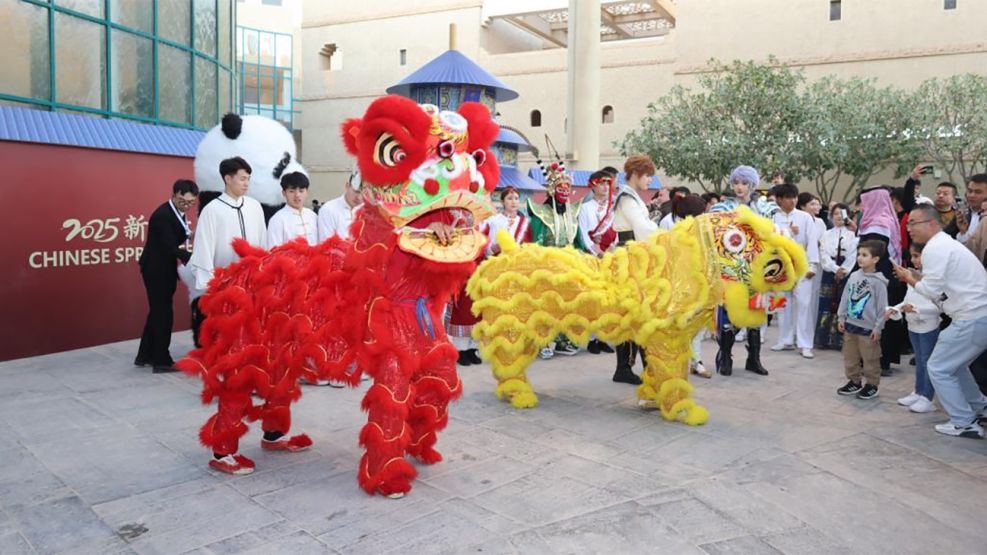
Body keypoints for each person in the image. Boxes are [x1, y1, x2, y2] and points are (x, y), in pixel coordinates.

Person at [894, 204, 987, 439]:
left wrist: (909, 278)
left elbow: (931, 290)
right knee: (954, 366)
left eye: (914, 223)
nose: (909, 228)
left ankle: (965, 423)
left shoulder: (935, 249)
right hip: (976, 316)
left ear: (932, 224)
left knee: (938, 367)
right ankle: (979, 407)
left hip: (971, 317)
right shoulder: (944, 245)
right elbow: (940, 283)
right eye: (908, 223)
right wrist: (916, 277)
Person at [188, 157, 268, 348]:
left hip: (252, 278)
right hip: (223, 280)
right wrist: (209, 282)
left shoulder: (254, 206)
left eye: (248, 178)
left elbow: (262, 241)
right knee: (225, 325)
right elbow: (204, 246)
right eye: (242, 178)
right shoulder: (212, 210)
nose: (246, 183)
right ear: (227, 179)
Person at [710, 165, 779, 376]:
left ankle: (754, 359)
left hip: (756, 266)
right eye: (736, 183)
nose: (739, 187)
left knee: (756, 312)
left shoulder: (765, 207)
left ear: (752, 185)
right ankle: (726, 358)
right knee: (729, 312)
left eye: (744, 183)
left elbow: (771, 234)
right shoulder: (723, 208)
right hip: (731, 266)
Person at [135, 179, 199, 373]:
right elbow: (171, 247)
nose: (186, 205)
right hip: (156, 269)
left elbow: (177, 235)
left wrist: (192, 235)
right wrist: (195, 258)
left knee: (156, 311)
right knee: (163, 314)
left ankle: (144, 355)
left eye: (190, 202)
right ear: (174, 195)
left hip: (163, 267)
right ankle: (161, 360)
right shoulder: (163, 215)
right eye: (182, 201)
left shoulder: (177, 212)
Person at [528, 152, 585, 358]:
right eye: (560, 188)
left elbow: (579, 241)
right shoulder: (540, 213)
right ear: (552, 190)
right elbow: (535, 240)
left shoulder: (573, 214)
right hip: (547, 266)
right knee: (546, 305)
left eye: (567, 189)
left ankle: (563, 341)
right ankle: (543, 341)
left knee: (567, 305)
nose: (564, 192)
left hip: (569, 267)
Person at [611, 154, 660, 385]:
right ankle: (628, 366)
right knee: (633, 312)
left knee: (633, 312)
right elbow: (643, 228)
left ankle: (628, 366)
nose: (650, 180)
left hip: (634, 254)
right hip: (630, 257)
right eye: (648, 175)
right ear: (636, 174)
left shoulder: (631, 197)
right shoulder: (627, 197)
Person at [854, 187, 905, 375]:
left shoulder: (877, 225)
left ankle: (876, 361)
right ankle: (881, 360)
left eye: (865, 202)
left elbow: (870, 255)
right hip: (886, 278)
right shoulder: (887, 221)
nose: (862, 206)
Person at [886, 242, 941, 413]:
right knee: (919, 360)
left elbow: (938, 306)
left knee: (927, 361)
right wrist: (896, 308)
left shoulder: (935, 278)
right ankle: (918, 391)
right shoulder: (911, 276)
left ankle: (928, 397)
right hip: (913, 324)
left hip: (928, 325)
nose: (914, 260)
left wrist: (916, 309)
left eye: (918, 256)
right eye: (913, 256)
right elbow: (908, 299)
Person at [771, 184, 821, 359]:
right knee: (783, 304)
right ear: (779, 199)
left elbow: (812, 241)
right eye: (787, 197)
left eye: (794, 197)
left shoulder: (805, 217)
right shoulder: (773, 217)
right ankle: (785, 340)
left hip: (802, 266)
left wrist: (813, 265)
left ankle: (805, 344)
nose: (792, 200)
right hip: (782, 267)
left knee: (804, 305)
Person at [836, 241, 888, 400]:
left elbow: (882, 308)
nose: (860, 258)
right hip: (851, 325)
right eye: (859, 254)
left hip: (868, 328)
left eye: (865, 255)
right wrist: (841, 316)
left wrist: (878, 327)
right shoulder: (853, 276)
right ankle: (854, 381)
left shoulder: (878, 282)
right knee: (850, 356)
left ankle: (872, 385)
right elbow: (845, 297)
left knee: (870, 357)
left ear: (875, 259)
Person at [815, 203, 858, 350]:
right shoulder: (826, 234)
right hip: (829, 272)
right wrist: (835, 269)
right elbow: (824, 254)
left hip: (846, 273)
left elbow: (853, 255)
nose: (839, 216)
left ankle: (839, 340)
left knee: (843, 303)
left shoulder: (853, 235)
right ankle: (823, 338)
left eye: (842, 213)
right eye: (836, 213)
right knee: (827, 303)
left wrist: (843, 270)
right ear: (831, 216)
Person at [267, 172, 318, 248]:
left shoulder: (313, 216)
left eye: (301, 191)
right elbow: (274, 251)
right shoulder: (277, 220)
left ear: (307, 192)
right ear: (284, 193)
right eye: (292, 191)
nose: (297, 195)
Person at [317, 168, 363, 241]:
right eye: (356, 191)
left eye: (364, 193)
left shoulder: (367, 212)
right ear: (347, 186)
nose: (359, 197)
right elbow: (326, 244)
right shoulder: (328, 210)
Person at [955, 174, 987, 244]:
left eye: (978, 192)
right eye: (970, 191)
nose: (972, 195)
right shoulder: (962, 215)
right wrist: (963, 232)